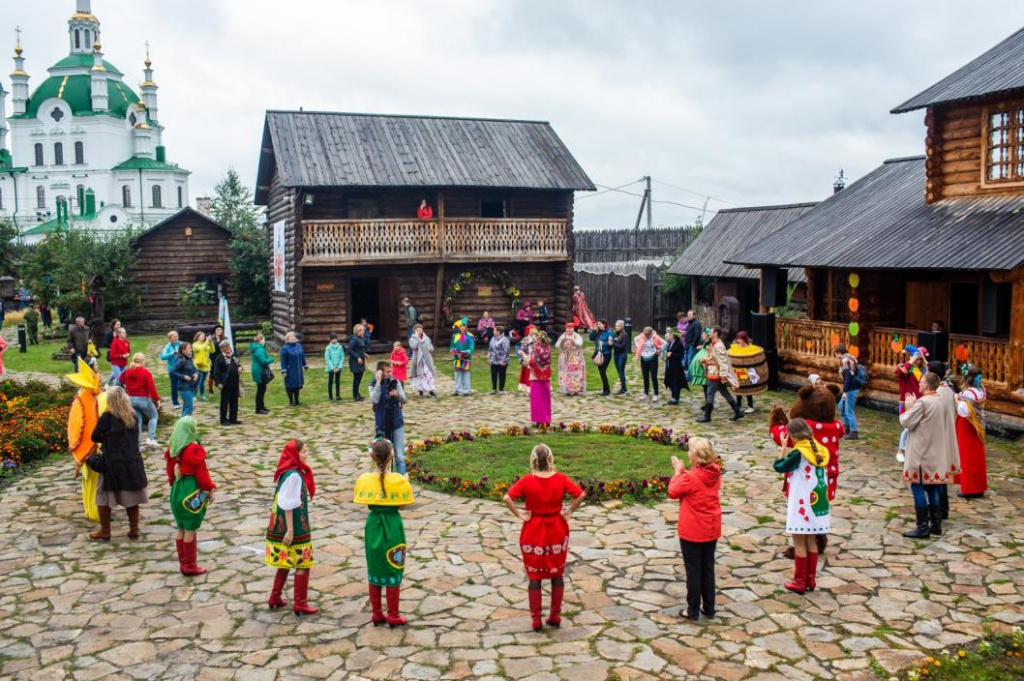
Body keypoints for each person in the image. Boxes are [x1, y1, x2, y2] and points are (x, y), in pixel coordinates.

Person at [503, 444, 586, 631]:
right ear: (550, 459)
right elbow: (580, 495)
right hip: (556, 528)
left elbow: (507, 498)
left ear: (533, 460)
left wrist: (519, 514)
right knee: (557, 573)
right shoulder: (561, 479)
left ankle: (535, 619)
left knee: (535, 575)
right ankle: (555, 615)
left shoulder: (526, 481)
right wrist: (569, 511)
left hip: (533, 530)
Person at [354, 439, 415, 627]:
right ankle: (393, 614)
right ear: (391, 457)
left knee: (375, 567)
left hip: (373, 526)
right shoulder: (398, 480)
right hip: (392, 525)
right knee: (393, 566)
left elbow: (366, 502)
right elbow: (403, 506)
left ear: (371, 457)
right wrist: (405, 483)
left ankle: (377, 613)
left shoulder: (364, 479)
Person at [773, 418, 831, 594]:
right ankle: (810, 580)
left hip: (801, 504)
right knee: (811, 541)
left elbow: (779, 466)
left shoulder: (799, 452)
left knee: (799, 541)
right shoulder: (820, 449)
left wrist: (783, 449)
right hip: (816, 505)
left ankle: (799, 581)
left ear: (793, 436)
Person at [900, 372, 960, 539]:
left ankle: (922, 527)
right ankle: (936, 524)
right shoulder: (942, 401)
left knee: (917, 487)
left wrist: (909, 407)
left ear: (926, 385)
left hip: (921, 453)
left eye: (921, 382)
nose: (919, 384)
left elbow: (906, 422)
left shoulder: (923, 403)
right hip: (936, 452)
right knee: (933, 487)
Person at [85, 386, 148, 541]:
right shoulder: (133, 416)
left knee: (103, 497)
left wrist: (108, 439)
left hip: (112, 463)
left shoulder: (107, 418)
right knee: (132, 496)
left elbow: (94, 437)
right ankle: (134, 529)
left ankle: (105, 531)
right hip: (132, 461)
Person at [668, 437, 721, 620]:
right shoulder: (715, 473)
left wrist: (677, 472)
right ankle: (709, 607)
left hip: (692, 531)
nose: (687, 453)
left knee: (693, 570)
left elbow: (672, 492)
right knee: (707, 567)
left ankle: (692, 610)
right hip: (711, 528)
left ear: (696, 457)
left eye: (690, 450)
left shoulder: (690, 478)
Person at [265, 439, 319, 615]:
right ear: (295, 455)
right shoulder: (294, 475)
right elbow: (288, 504)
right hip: (295, 527)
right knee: (303, 563)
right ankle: (300, 602)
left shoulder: (286, 472)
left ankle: (275, 596)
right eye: (303, 452)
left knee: (286, 561)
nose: (306, 454)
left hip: (281, 527)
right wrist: (290, 530)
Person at [165, 416, 215, 576]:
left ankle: (183, 562)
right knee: (190, 527)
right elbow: (201, 473)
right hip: (190, 489)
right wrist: (209, 488)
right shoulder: (193, 449)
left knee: (181, 526)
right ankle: (190, 565)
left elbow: (170, 470)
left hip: (177, 489)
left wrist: (173, 482)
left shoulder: (174, 447)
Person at [954, 364, 987, 499]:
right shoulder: (982, 390)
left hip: (966, 426)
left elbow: (964, 411)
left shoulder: (969, 393)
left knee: (966, 456)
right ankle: (979, 487)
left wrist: (956, 400)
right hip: (977, 426)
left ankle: (968, 489)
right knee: (977, 456)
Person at [697, 327, 743, 422]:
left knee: (710, 393)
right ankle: (738, 412)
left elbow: (722, 362)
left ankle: (707, 416)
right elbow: (714, 357)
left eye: (711, 332)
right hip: (715, 372)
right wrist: (705, 360)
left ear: (716, 333)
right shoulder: (715, 344)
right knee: (724, 393)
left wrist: (723, 376)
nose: (709, 333)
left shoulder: (718, 346)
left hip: (715, 374)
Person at [371, 361, 408, 475]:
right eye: (387, 372)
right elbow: (374, 400)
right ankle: (384, 481)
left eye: (390, 371)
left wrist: (397, 395)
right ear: (380, 373)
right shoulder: (373, 384)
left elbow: (404, 400)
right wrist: (378, 383)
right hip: (382, 424)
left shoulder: (395, 382)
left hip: (396, 422)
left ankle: (401, 482)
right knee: (383, 456)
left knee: (400, 455)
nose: (390, 374)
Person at [120, 353, 161, 448]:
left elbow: (120, 380)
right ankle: (150, 438)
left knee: (138, 421)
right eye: (144, 360)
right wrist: (157, 399)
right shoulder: (145, 372)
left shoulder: (127, 371)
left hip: (130, 399)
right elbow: (151, 387)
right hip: (143, 399)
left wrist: (126, 388)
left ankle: (138, 445)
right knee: (154, 416)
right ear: (142, 361)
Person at [895, 347, 928, 463]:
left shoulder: (923, 371)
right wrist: (911, 361)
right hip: (907, 402)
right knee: (907, 427)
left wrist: (924, 360)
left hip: (921, 403)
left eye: (920, 359)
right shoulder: (904, 367)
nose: (918, 361)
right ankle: (900, 451)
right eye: (917, 358)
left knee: (919, 428)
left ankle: (915, 451)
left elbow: (932, 377)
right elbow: (900, 373)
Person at [212, 340, 242, 426]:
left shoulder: (234, 356)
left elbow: (238, 364)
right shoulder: (219, 358)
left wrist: (240, 368)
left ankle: (233, 418)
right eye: (226, 347)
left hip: (234, 382)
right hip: (225, 383)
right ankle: (223, 419)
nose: (228, 348)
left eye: (229, 346)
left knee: (234, 401)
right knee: (224, 402)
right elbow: (216, 372)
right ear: (222, 349)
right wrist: (218, 383)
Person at [835, 343, 861, 439]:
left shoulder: (845, 361)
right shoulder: (850, 357)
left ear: (839, 353)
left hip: (851, 389)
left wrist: (845, 392)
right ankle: (847, 428)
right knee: (841, 406)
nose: (835, 356)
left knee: (849, 411)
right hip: (852, 387)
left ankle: (854, 433)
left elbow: (847, 378)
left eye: (836, 353)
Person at [528, 333, 553, 427]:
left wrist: (524, 356)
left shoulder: (535, 348)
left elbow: (532, 362)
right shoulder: (548, 348)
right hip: (546, 375)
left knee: (537, 399)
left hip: (536, 376)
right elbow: (549, 360)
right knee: (546, 399)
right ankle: (547, 420)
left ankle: (539, 420)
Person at [633, 326, 664, 402]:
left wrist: (659, 350)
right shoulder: (641, 336)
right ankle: (646, 393)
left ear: (650, 333)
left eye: (647, 334)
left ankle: (656, 394)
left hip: (653, 358)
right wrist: (639, 347)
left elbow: (665, 344)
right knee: (645, 377)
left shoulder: (655, 337)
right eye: (645, 334)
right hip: (644, 358)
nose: (646, 336)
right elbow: (635, 339)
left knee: (653, 377)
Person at [556, 323, 586, 396]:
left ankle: (576, 389)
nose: (569, 329)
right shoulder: (563, 336)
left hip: (575, 357)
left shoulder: (576, 336)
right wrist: (561, 343)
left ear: (573, 328)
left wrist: (573, 340)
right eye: (567, 328)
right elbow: (557, 345)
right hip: (565, 357)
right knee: (566, 373)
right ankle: (568, 389)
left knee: (575, 374)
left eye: (570, 328)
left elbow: (580, 343)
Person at [280, 331, 309, 407]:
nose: (292, 338)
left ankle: (297, 400)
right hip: (290, 369)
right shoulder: (285, 348)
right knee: (290, 385)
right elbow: (283, 360)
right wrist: (284, 370)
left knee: (297, 385)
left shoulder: (299, 346)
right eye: (290, 337)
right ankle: (291, 401)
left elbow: (302, 356)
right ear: (287, 339)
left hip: (298, 369)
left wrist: (305, 365)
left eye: (293, 337)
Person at [171, 343, 200, 417]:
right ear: (183, 350)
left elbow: (193, 369)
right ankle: (184, 426)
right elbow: (172, 371)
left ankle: (181, 425)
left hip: (190, 385)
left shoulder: (188, 358)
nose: (191, 349)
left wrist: (196, 373)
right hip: (184, 387)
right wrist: (183, 376)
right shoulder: (180, 360)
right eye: (189, 348)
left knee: (186, 407)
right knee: (189, 408)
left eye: (190, 348)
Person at [732, 331, 757, 414]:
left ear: (744, 339)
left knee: (747, 388)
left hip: (747, 370)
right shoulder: (736, 347)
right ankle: (738, 405)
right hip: (738, 370)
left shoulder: (750, 348)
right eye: (738, 338)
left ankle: (750, 406)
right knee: (738, 387)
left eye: (740, 338)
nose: (738, 340)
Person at [408, 325, 436, 397]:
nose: (419, 331)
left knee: (428, 374)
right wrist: (417, 338)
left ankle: (431, 390)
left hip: (426, 360)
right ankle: (420, 391)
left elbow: (430, 345)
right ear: (414, 331)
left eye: (420, 330)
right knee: (419, 375)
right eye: (417, 330)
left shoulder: (426, 338)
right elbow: (413, 346)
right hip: (418, 361)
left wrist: (431, 348)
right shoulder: (412, 339)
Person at [663, 327, 689, 405]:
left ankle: (675, 398)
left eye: (671, 334)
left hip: (676, 367)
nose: (669, 335)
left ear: (674, 335)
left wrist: (672, 354)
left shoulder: (679, 344)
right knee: (670, 381)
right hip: (669, 365)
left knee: (676, 382)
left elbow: (681, 355)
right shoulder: (670, 343)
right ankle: (673, 396)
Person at [250, 333, 274, 415]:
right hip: (260, 371)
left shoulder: (258, 348)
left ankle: (262, 406)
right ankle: (258, 409)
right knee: (261, 390)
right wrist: (271, 359)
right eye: (263, 339)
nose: (264, 341)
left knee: (262, 389)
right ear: (260, 340)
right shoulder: (259, 349)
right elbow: (263, 361)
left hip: (259, 370)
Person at [450, 318, 475, 396]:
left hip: (466, 359)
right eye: (461, 326)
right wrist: (456, 352)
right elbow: (451, 347)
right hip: (457, 358)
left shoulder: (470, 336)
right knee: (457, 374)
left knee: (466, 374)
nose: (462, 328)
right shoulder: (455, 336)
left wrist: (464, 353)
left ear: (466, 327)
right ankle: (458, 390)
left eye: (464, 326)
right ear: (459, 327)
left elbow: (471, 348)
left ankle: (466, 390)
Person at [589, 320, 614, 396]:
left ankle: (606, 390)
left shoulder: (609, 332)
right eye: (597, 324)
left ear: (604, 324)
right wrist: (593, 331)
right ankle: (606, 389)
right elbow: (591, 338)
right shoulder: (598, 332)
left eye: (599, 324)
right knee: (601, 372)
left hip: (606, 354)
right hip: (599, 354)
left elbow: (611, 345)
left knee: (602, 371)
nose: (598, 325)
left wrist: (603, 344)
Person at [160, 331, 183, 410]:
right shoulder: (168, 346)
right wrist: (171, 353)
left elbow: (189, 352)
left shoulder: (181, 344)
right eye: (174, 336)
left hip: (182, 368)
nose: (176, 338)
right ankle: (175, 402)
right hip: (173, 369)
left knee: (184, 385)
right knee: (174, 386)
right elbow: (162, 357)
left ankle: (185, 400)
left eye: (177, 336)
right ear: (170, 338)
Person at [349, 324, 370, 402]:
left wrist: (364, 354)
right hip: (355, 362)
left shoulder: (360, 338)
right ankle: (355, 396)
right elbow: (350, 350)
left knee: (359, 379)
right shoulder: (354, 339)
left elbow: (358, 349)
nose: (364, 331)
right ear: (358, 331)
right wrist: (357, 357)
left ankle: (357, 394)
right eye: (362, 330)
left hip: (361, 361)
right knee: (356, 379)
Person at [192, 332, 215, 402]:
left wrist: (211, 342)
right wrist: (207, 341)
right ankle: (193, 396)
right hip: (198, 366)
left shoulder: (205, 343)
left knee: (202, 383)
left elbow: (212, 350)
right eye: (201, 336)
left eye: (204, 336)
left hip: (206, 366)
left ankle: (202, 395)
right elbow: (202, 349)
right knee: (198, 381)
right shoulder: (195, 344)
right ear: (197, 337)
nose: (203, 337)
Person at [488, 325, 510, 395]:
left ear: (498, 332)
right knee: (493, 374)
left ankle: (501, 389)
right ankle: (494, 388)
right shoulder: (492, 339)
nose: (493, 332)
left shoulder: (505, 340)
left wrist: (504, 361)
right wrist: (489, 358)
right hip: (493, 360)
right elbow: (490, 349)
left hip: (502, 361)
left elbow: (507, 351)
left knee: (502, 375)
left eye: (494, 331)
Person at [324, 333, 346, 401]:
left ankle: (338, 395)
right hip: (331, 368)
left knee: (338, 382)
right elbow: (327, 358)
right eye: (333, 339)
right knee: (330, 382)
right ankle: (330, 397)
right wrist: (332, 368)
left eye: (335, 339)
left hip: (338, 367)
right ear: (330, 340)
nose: (334, 340)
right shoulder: (328, 348)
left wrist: (339, 367)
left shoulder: (340, 347)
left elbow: (342, 356)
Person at [208, 325, 226, 395]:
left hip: (222, 358)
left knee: (223, 373)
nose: (219, 331)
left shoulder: (225, 338)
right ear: (215, 331)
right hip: (213, 358)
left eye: (220, 330)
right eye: (218, 330)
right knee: (212, 375)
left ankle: (222, 387)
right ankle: (210, 389)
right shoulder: (211, 339)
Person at [684, 310, 702, 379]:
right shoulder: (690, 323)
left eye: (690, 314)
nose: (688, 316)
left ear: (694, 316)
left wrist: (693, 344)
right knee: (687, 361)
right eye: (688, 314)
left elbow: (697, 335)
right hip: (688, 345)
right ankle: (689, 376)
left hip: (692, 346)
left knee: (690, 361)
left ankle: (689, 377)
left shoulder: (696, 324)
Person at [612, 320, 629, 395]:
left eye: (618, 326)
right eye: (616, 326)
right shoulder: (615, 334)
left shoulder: (625, 334)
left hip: (622, 355)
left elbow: (622, 346)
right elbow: (612, 343)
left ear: (622, 327)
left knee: (621, 371)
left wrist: (613, 343)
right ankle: (623, 387)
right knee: (619, 372)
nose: (616, 327)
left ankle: (624, 389)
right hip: (615, 355)